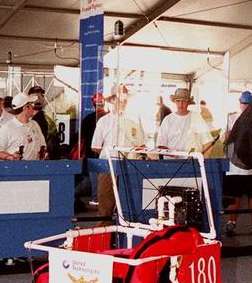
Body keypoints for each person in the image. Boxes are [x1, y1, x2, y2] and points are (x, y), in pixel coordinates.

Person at [91, 86, 146, 219]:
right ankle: (105, 235)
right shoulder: (104, 121)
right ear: (113, 100)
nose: (122, 101)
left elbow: (141, 144)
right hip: (108, 166)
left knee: (129, 203)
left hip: (130, 165)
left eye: (124, 98)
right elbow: (95, 147)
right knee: (105, 204)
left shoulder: (134, 120)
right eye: (119, 98)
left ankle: (127, 236)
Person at [223, 90, 252, 238]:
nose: (246, 106)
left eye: (249, 104)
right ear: (239, 103)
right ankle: (231, 223)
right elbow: (226, 138)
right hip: (234, 167)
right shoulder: (231, 118)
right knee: (235, 196)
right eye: (244, 103)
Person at [0, 91, 48, 160]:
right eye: (31, 104)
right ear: (25, 108)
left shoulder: (35, 124)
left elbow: (42, 145)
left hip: (35, 168)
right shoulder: (7, 128)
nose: (34, 107)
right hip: (16, 169)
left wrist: (44, 153)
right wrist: (9, 157)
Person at [157, 88, 216, 154]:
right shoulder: (168, 119)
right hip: (172, 162)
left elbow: (207, 142)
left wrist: (203, 161)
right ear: (174, 102)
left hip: (192, 161)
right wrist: (174, 155)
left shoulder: (196, 117)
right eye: (178, 101)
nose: (181, 104)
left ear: (188, 103)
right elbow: (161, 145)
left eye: (184, 101)